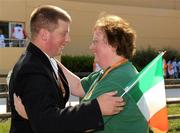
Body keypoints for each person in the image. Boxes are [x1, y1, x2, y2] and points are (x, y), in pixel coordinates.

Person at [15, 14, 148, 132]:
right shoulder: (115, 71)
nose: (91, 47)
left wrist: (33, 116)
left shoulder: (117, 80)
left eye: (95, 41)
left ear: (113, 45)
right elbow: (78, 86)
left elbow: (81, 126)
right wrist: (48, 55)